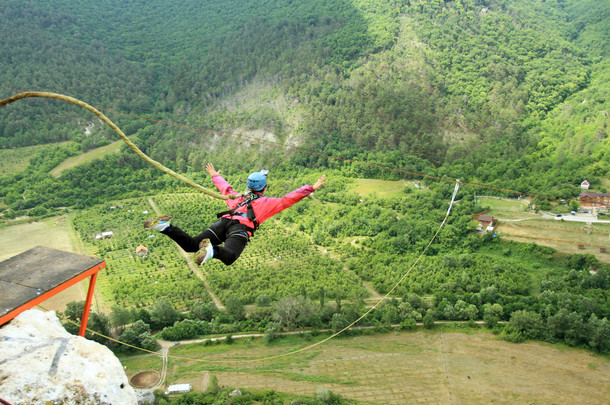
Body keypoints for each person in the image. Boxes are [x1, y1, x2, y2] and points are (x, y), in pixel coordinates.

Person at [144, 163, 325, 266]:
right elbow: (289, 199)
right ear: (265, 188)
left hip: (223, 222)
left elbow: (225, 188)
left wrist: (215, 175)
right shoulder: (267, 203)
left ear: (248, 186)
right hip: (240, 228)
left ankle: (165, 227)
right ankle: (212, 251)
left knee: (192, 245)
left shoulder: (237, 197)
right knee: (229, 257)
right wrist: (311, 188)